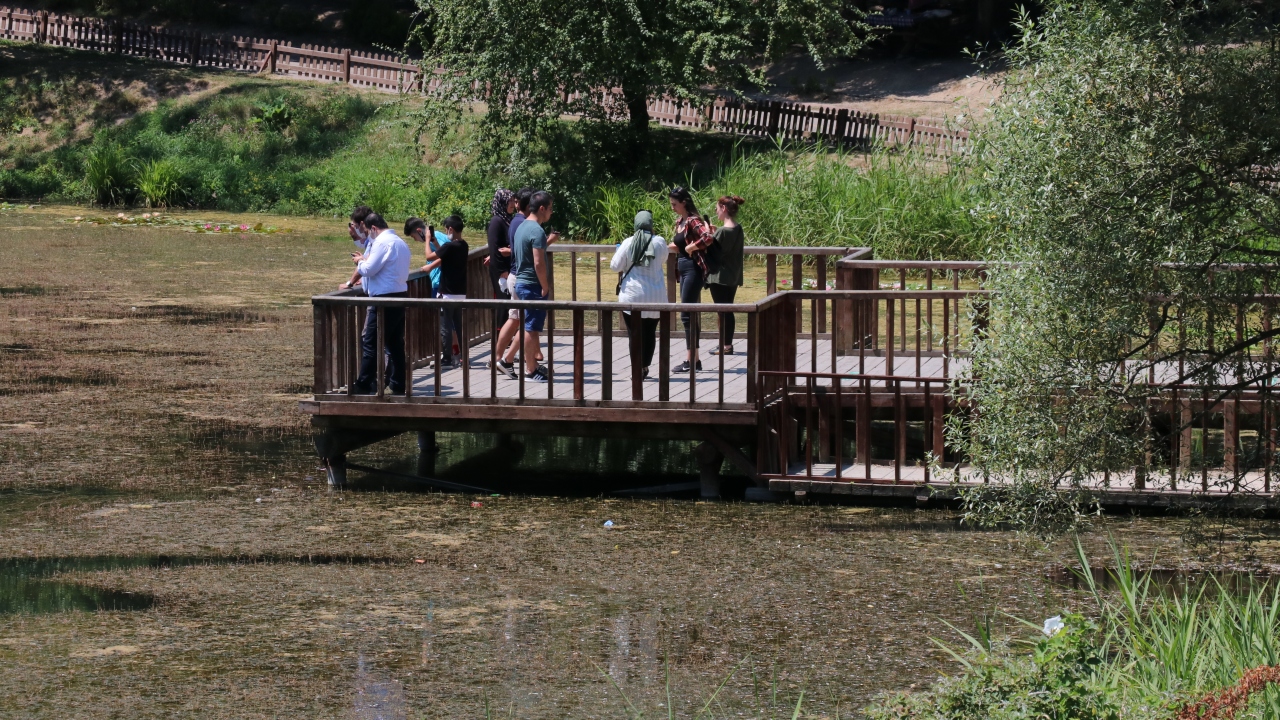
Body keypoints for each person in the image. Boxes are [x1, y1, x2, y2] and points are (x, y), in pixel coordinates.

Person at [338, 213, 411, 394]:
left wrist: (360, 261)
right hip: (400, 295)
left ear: (373, 228)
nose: (368, 235)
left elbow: (369, 269)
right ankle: (398, 383)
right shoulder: (400, 242)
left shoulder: (381, 242)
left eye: (367, 231)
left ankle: (363, 384)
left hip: (383, 300)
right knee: (395, 343)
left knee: (370, 343)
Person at [509, 190, 561, 381]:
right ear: (542, 208)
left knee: (528, 326)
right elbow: (538, 263)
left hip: (521, 282)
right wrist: (545, 286)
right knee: (531, 328)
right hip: (532, 285)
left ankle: (531, 365)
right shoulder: (537, 231)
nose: (551, 212)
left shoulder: (522, 226)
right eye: (550, 208)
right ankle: (531, 370)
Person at [611, 210, 668, 377]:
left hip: (632, 296)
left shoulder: (628, 242)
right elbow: (663, 259)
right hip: (656, 297)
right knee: (650, 332)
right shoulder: (659, 242)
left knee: (634, 334)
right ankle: (644, 366)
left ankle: (636, 369)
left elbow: (615, 266)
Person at [667, 186, 717, 373]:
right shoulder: (680, 221)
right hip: (683, 268)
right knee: (689, 313)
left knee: (686, 314)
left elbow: (708, 237)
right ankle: (695, 360)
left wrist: (692, 247)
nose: (672, 207)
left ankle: (690, 361)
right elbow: (680, 244)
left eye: (674, 204)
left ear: (684, 202)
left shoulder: (693, 220)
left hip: (693, 269)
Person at [423, 215, 469, 369]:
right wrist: (436, 242)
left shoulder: (450, 246)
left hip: (447, 293)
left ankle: (447, 359)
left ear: (450, 229)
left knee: (445, 326)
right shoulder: (463, 245)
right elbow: (445, 253)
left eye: (446, 229)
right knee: (459, 326)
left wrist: (427, 240)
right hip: (460, 293)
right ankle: (464, 357)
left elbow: (429, 256)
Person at [706, 195, 746, 356]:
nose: (716, 212)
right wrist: (714, 234)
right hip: (733, 276)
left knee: (722, 311)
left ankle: (726, 346)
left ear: (723, 208)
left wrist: (708, 234)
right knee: (728, 309)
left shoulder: (722, 231)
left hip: (719, 278)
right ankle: (726, 344)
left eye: (717, 209)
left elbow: (710, 251)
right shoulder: (738, 228)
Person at [487, 188, 521, 379]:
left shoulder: (507, 220)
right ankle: (498, 353)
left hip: (508, 269)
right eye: (509, 201)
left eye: (513, 201)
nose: (512, 204)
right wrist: (502, 273)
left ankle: (504, 350)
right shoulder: (496, 221)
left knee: (508, 308)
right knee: (503, 308)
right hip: (501, 271)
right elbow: (494, 248)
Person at [346, 205, 374, 291]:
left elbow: (369, 266)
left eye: (355, 226)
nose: (355, 228)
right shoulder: (372, 240)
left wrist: (350, 283)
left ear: (362, 224)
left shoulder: (374, 241)